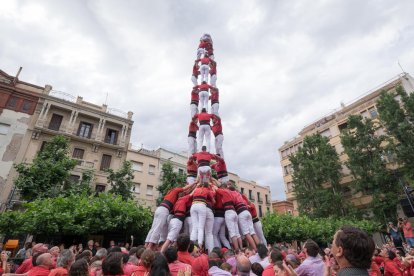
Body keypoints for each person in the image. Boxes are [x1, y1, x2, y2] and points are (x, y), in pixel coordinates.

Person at [145, 183, 193, 249]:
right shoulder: (176, 191)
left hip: (160, 209)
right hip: (164, 210)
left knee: (154, 228)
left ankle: (146, 244)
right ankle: (149, 246)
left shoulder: (169, 194)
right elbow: (185, 188)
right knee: (158, 228)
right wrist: (195, 183)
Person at [228, 182, 257, 250]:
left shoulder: (231, 194)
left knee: (246, 233)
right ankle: (261, 249)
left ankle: (255, 250)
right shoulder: (239, 194)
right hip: (247, 212)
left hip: (241, 213)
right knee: (252, 232)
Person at [214, 180, 241, 250]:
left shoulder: (224, 191)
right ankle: (240, 248)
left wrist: (211, 183)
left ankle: (237, 250)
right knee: (237, 233)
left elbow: (216, 188)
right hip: (234, 212)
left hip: (228, 212)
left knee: (232, 233)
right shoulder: (231, 193)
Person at [190, 181, 215, 251]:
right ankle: (200, 245)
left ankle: (191, 246)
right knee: (201, 228)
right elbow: (214, 201)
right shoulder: (207, 190)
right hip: (202, 206)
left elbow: (190, 195)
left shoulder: (196, 189)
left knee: (194, 228)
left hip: (193, 205)